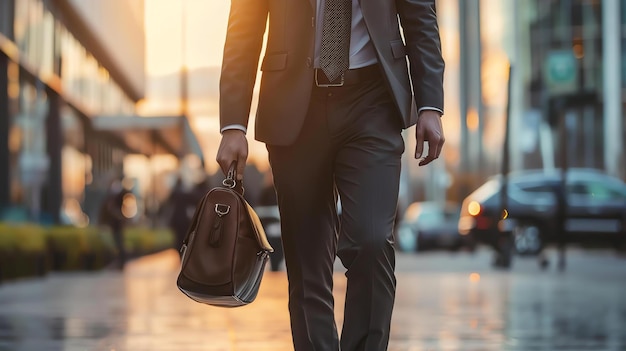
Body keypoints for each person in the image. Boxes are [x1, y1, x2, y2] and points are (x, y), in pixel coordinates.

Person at [216, 1, 445, 350]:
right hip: (294, 105)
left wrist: (430, 104)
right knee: (307, 261)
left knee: (372, 241)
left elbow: (420, 16)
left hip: (373, 100)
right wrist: (234, 125)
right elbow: (243, 25)